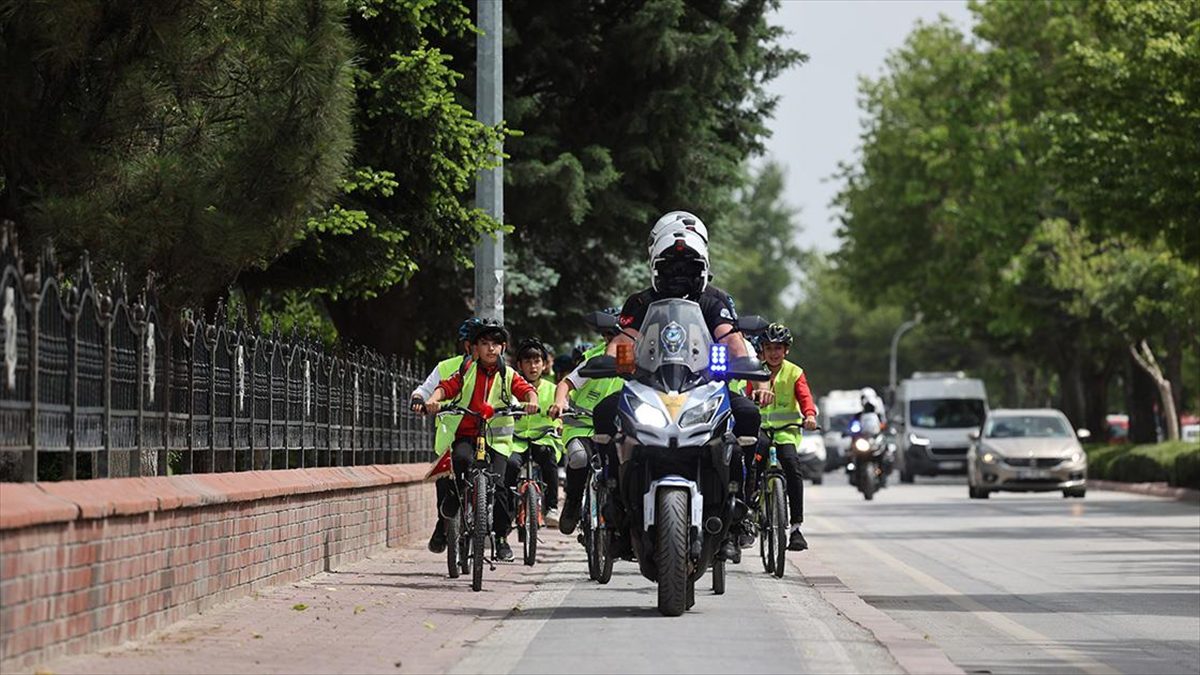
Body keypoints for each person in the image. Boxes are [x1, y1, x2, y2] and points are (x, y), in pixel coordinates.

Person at [593, 213, 773, 561]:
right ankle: (611, 503)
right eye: (671, 267)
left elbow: (731, 339)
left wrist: (749, 366)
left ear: (702, 265)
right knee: (604, 412)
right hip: (650, 389)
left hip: (704, 389)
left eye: (687, 266)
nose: (679, 274)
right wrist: (611, 358)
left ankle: (740, 506)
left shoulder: (715, 301)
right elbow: (623, 340)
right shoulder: (640, 303)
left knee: (748, 415)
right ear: (655, 266)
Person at [421, 319, 540, 562]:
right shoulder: (467, 370)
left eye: (495, 344)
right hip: (468, 433)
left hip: (497, 439)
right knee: (460, 460)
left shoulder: (509, 374)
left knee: (500, 486)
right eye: (484, 344)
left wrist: (532, 400)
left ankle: (500, 537)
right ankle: (454, 500)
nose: (490, 349)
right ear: (475, 347)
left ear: (503, 347)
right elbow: (446, 387)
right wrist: (433, 399)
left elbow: (526, 389)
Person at [547, 308, 625, 537]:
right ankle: (572, 502)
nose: (614, 341)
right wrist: (559, 403)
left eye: (619, 336)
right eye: (609, 336)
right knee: (580, 458)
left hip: (616, 427)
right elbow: (566, 384)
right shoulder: (593, 358)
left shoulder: (633, 357)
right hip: (581, 423)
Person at [749, 323, 818, 552]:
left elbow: (805, 398)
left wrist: (809, 416)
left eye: (778, 348)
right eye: (769, 348)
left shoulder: (795, 372)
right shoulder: (754, 370)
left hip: (786, 431)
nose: (774, 353)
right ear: (762, 350)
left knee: (792, 465)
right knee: (752, 462)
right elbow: (744, 395)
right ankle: (747, 512)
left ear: (786, 349)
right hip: (760, 430)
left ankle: (796, 528)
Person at [411, 318, 478, 554]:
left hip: (483, 438)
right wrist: (419, 399)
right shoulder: (447, 368)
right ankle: (443, 524)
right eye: (478, 343)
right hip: (450, 440)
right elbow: (425, 389)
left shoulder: (495, 371)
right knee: (445, 489)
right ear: (468, 346)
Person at [509, 338, 564, 526]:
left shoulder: (553, 389)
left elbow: (561, 413)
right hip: (517, 440)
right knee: (510, 464)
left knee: (549, 460)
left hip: (543, 439)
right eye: (528, 362)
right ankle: (507, 511)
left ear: (544, 364)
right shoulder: (511, 388)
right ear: (519, 365)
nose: (533, 366)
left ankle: (552, 507)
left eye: (537, 361)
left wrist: (558, 423)